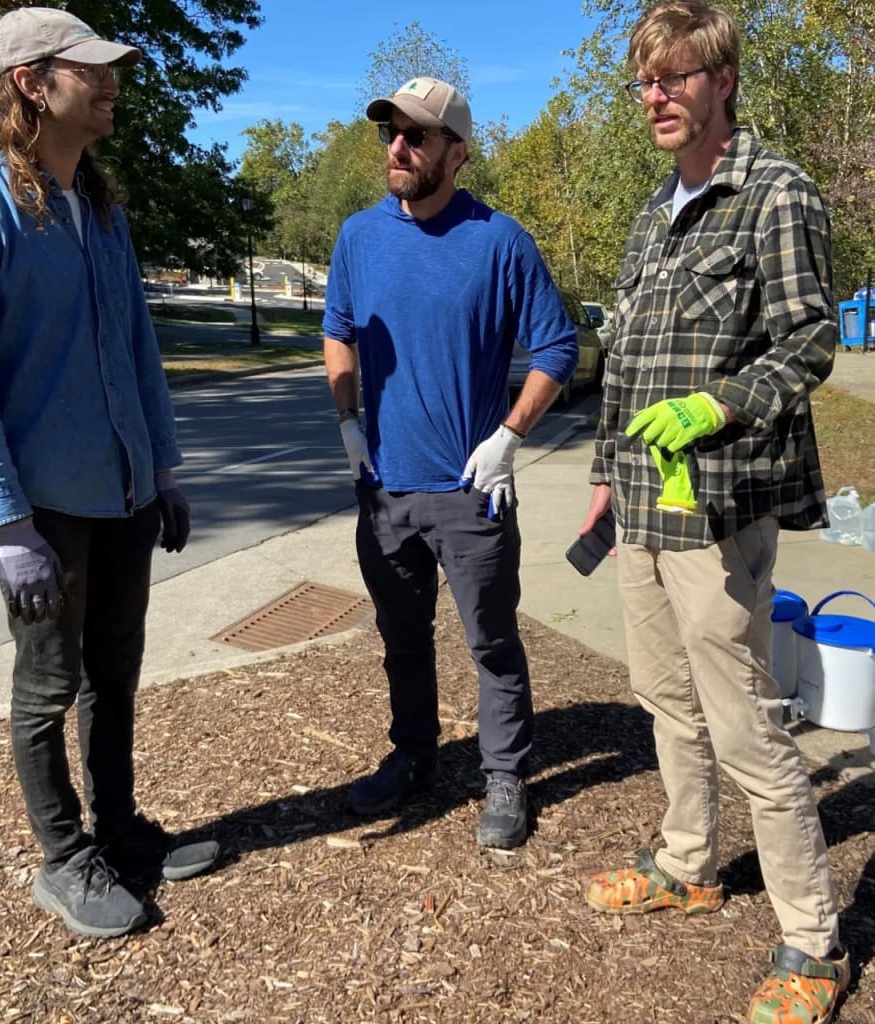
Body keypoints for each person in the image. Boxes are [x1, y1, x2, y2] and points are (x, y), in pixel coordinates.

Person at [0, 7, 218, 939]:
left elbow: (139, 353)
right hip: (42, 511)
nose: (112, 80)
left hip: (123, 493)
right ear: (32, 86)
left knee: (113, 677)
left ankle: (121, 831)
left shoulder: (101, 211)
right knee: (47, 689)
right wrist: (4, 529)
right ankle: (64, 856)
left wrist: (164, 470)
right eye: (90, 69)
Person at [578, 3, 848, 1021]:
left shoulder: (777, 194)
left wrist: (719, 403)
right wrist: (606, 472)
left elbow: (808, 344)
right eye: (646, 79)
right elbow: (627, 362)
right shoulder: (656, 209)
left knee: (745, 724)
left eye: (676, 77)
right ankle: (689, 862)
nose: (656, 95)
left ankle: (812, 942)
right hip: (643, 506)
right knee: (664, 695)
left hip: (722, 506)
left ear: (722, 80)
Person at [323, 77, 578, 850]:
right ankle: (413, 755)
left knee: (492, 643)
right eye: (390, 134)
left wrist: (508, 437)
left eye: (417, 136)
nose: (398, 148)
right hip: (384, 491)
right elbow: (338, 329)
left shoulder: (500, 241)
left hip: (470, 494)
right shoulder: (358, 238)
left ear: (456, 152)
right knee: (401, 638)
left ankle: (504, 775)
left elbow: (558, 347)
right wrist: (348, 424)